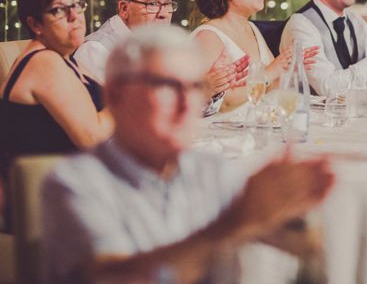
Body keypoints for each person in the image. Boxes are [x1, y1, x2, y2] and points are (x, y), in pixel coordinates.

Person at [42, 25, 335, 284]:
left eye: (195, 87)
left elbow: (301, 245)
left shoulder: (212, 170)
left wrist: (295, 209)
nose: (187, 104)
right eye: (168, 86)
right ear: (116, 95)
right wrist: (233, 223)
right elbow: (115, 277)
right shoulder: (74, 182)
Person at [0, 0, 113, 226]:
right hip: (41, 207)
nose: (75, 16)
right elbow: (92, 136)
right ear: (36, 24)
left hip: (65, 189)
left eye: (76, 5)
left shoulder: (63, 57)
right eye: (58, 10)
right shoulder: (44, 62)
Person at [75, 0, 245, 110]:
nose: (163, 14)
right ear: (124, 8)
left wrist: (215, 87)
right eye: (152, 4)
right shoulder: (95, 50)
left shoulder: (161, 45)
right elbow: (127, 118)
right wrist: (197, 90)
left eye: (168, 4)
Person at [193, 0, 318, 112]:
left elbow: (271, 88)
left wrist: (288, 69)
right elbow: (221, 103)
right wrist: (271, 71)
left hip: (257, 123)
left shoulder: (252, 28)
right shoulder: (208, 36)